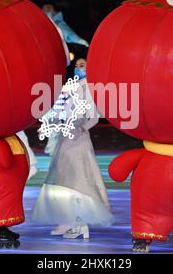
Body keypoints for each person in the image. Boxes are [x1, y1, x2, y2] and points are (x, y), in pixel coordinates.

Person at [32, 55, 114, 239]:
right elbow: (57, 110)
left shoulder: (92, 89)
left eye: (82, 65)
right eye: (77, 65)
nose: (79, 68)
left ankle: (80, 222)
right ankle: (68, 220)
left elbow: (93, 117)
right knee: (62, 179)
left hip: (79, 140)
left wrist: (81, 128)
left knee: (78, 180)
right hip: (65, 139)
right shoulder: (69, 88)